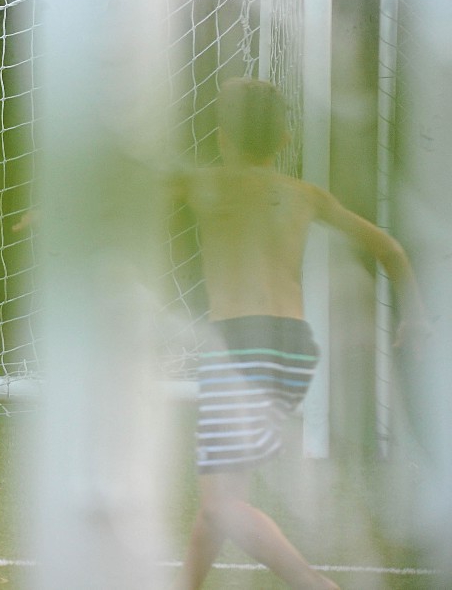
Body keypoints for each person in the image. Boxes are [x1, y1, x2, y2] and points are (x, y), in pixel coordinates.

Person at [173, 77, 429, 590]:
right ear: (285, 140)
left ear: (223, 136)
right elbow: (391, 250)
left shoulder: (209, 184)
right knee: (224, 497)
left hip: (239, 345)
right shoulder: (306, 195)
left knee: (223, 502)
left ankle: (314, 585)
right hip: (291, 348)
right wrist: (415, 314)